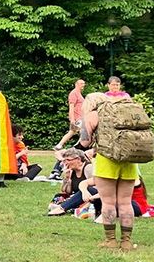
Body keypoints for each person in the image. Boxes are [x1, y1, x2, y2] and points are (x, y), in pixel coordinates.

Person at [79, 92, 139, 249]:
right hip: (128, 160)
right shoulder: (124, 112)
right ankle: (126, 241)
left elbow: (84, 142)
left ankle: (110, 240)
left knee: (108, 202)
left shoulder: (93, 115)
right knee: (126, 202)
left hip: (106, 160)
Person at [55, 79, 86, 150]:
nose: (83, 85)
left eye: (84, 83)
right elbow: (71, 106)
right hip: (77, 117)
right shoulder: (73, 93)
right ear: (76, 84)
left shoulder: (78, 93)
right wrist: (72, 119)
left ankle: (59, 145)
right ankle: (77, 147)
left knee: (72, 132)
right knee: (84, 131)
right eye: (81, 83)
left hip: (80, 116)